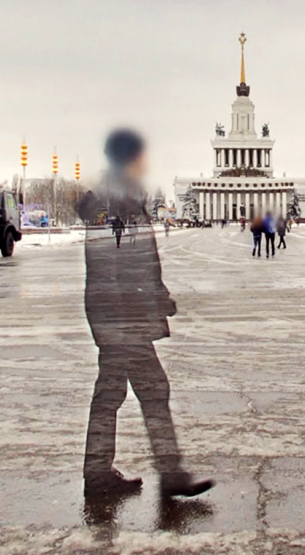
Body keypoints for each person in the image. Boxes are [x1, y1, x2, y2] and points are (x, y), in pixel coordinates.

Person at [76, 128, 213, 501]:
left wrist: (157, 296)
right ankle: (164, 475)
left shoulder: (120, 198)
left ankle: (102, 473)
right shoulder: (115, 202)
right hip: (121, 317)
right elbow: (117, 264)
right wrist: (144, 304)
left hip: (118, 313)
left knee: (117, 392)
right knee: (146, 391)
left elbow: (135, 261)